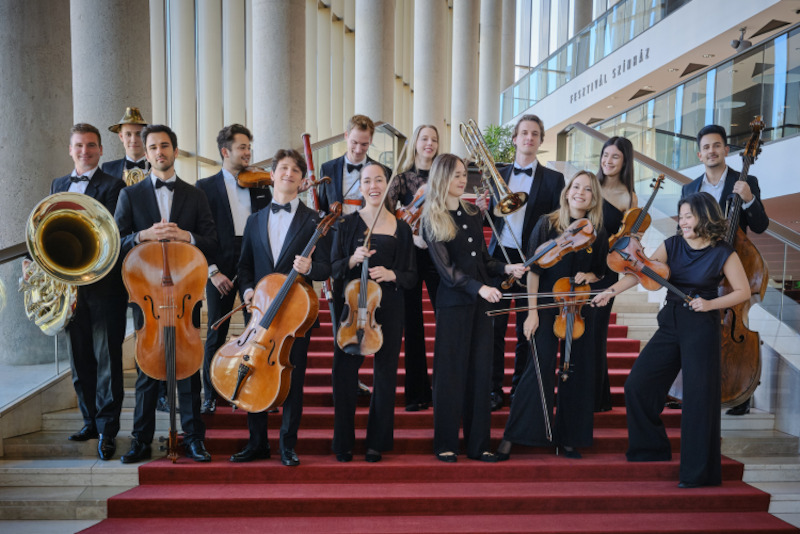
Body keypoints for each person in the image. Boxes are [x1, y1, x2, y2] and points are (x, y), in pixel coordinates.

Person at [592, 192, 750, 487]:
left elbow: (743, 291)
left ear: (705, 216)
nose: (683, 221)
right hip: (671, 322)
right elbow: (640, 272)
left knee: (699, 400)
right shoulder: (672, 245)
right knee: (638, 385)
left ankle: (698, 474)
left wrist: (710, 304)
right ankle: (651, 448)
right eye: (682, 216)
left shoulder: (723, 252)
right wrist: (610, 292)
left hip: (702, 325)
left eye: (689, 216)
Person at [115, 124, 218, 464]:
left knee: (187, 369)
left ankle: (194, 439)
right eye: (153, 147)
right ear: (146, 154)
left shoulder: (196, 195)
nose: (159, 152)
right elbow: (116, 243)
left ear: (175, 150)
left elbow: (212, 243)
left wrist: (187, 236)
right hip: (147, 295)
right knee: (147, 371)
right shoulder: (130, 195)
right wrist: (141, 235)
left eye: (164, 146)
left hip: (186, 293)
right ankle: (140, 440)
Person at [496, 170, 608, 461]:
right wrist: (532, 313)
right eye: (576, 186)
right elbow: (533, 270)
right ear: (567, 191)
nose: (580, 192)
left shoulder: (597, 232)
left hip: (578, 308)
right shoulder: (547, 223)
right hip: (546, 305)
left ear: (594, 198)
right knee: (538, 367)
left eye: (588, 189)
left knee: (576, 371)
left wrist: (590, 276)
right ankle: (514, 436)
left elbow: (602, 272)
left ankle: (569, 438)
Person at [422, 153, 525, 463]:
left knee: (481, 373)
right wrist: (480, 287)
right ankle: (445, 444)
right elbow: (447, 271)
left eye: (463, 174)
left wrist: (506, 269)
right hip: (454, 305)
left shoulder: (472, 212)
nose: (462, 179)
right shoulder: (433, 217)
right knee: (450, 374)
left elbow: (483, 260)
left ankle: (479, 445)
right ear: (441, 177)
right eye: (455, 174)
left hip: (480, 305)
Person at [233, 148, 332, 466]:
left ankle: (287, 445)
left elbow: (327, 267)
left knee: (292, 380)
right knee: (254, 373)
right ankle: (257, 443)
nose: (288, 173)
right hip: (260, 313)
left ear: (302, 180)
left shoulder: (314, 220)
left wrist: (310, 267)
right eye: (283, 168)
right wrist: (248, 291)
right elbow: (244, 266)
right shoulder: (254, 220)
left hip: (295, 316)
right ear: (272, 175)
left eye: (295, 170)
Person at [40, 123, 127, 461]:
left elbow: (113, 232)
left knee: (107, 360)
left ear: (101, 150)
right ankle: (89, 420)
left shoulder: (115, 185)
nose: (85, 151)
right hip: (70, 288)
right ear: (70, 149)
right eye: (79, 145)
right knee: (79, 359)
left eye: (91, 145)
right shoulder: (58, 185)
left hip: (105, 288)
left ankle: (108, 429)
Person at [681, 124, 769, 416]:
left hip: (733, 272)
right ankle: (694, 387)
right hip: (699, 271)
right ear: (699, 154)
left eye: (716, 145)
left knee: (733, 328)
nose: (711, 151)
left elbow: (760, 225)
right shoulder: (690, 189)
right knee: (697, 329)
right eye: (706, 147)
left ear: (726, 150)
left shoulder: (746, 181)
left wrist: (749, 199)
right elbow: (684, 230)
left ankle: (740, 390)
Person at [331, 162, 416, 462]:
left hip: (388, 306)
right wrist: (352, 260)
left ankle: (376, 442)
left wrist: (392, 274)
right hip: (353, 307)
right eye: (367, 181)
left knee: (385, 373)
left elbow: (411, 275)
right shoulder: (346, 224)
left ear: (388, 185)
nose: (373, 186)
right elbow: (333, 268)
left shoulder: (401, 228)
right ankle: (343, 442)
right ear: (360, 187)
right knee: (344, 372)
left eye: (379, 180)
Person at [479, 114, 564, 411]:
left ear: (540, 141)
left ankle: (520, 389)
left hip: (533, 261)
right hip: (498, 259)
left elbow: (556, 223)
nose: (529, 137)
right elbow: (489, 219)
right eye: (524, 133)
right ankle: (492, 389)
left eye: (535, 134)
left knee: (526, 329)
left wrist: (542, 257)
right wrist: (481, 209)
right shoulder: (496, 174)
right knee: (494, 329)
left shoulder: (554, 180)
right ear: (515, 139)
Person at [195, 124, 271, 415]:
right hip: (221, 266)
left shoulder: (260, 184)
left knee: (259, 329)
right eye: (242, 147)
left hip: (254, 262)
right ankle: (211, 395)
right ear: (225, 151)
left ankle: (258, 390)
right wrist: (213, 271)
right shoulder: (205, 187)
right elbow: (200, 232)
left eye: (249, 147)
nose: (248, 152)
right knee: (217, 329)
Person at [386, 124, 440, 412]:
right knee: (413, 324)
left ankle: (445, 389)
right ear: (415, 143)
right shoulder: (401, 179)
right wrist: (408, 234)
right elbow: (387, 216)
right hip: (410, 255)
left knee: (446, 321)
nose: (429, 143)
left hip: (439, 255)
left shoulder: (443, 177)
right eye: (424, 138)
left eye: (434, 139)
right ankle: (417, 393)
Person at [588, 136, 637, 412]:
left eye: (615, 156)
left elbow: (628, 241)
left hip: (605, 272)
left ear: (625, 161)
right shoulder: (589, 186)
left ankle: (595, 396)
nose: (608, 161)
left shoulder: (629, 197)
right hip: (578, 267)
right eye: (605, 155)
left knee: (596, 333)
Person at [318, 114, 391, 216]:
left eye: (364, 144)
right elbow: (322, 208)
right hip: (336, 225)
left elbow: (387, 209)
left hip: (369, 225)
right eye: (354, 142)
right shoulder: (327, 169)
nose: (358, 150)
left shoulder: (384, 171)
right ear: (346, 136)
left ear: (371, 141)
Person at [101, 107, 149, 180]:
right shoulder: (108, 169)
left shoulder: (159, 167)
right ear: (121, 137)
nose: (133, 140)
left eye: (139, 134)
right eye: (128, 134)